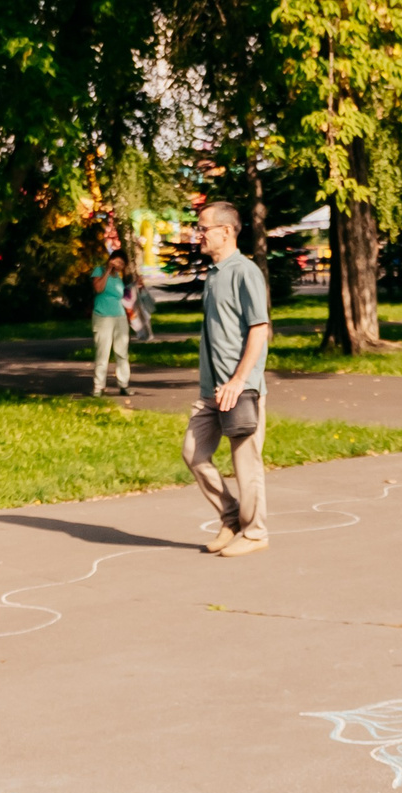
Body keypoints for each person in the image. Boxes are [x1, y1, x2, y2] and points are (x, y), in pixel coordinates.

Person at [182, 202, 271, 560]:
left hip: (239, 389)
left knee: (246, 465)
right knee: (194, 453)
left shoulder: (244, 271)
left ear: (226, 231)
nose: (198, 234)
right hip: (211, 391)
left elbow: (260, 329)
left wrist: (239, 380)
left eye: (203, 228)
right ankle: (231, 518)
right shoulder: (215, 274)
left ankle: (256, 532)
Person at [88, 236, 133, 399]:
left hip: (119, 316)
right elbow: (98, 288)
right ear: (111, 259)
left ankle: (124, 384)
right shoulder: (99, 271)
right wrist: (107, 270)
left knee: (122, 352)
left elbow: (126, 296)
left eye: (122, 264)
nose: (119, 266)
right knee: (103, 352)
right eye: (117, 262)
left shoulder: (120, 279)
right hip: (103, 316)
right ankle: (98, 386)